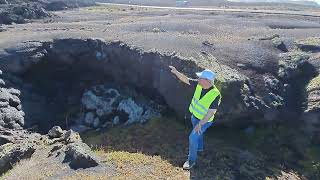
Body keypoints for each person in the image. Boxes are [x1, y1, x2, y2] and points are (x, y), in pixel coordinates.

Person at [169, 66, 221, 170]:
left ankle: (191, 160)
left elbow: (211, 113)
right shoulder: (199, 85)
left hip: (205, 121)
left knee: (192, 137)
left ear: (207, 81)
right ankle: (199, 148)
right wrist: (176, 72)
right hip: (194, 117)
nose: (198, 79)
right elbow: (185, 79)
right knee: (197, 135)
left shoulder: (216, 95)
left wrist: (200, 124)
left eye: (200, 78)